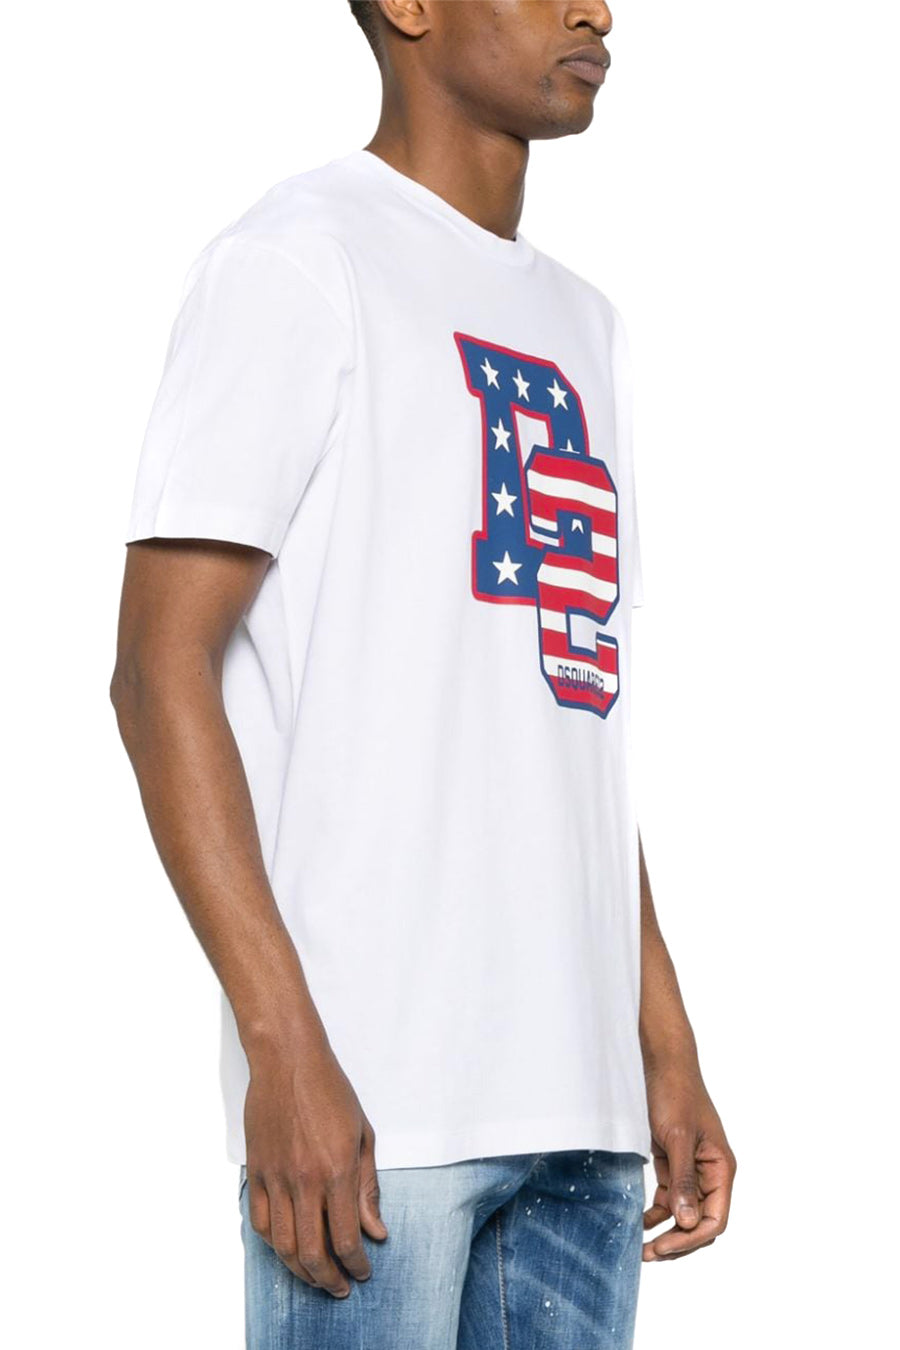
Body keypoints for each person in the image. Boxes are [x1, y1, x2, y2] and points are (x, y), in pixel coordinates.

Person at [111, 2, 736, 1346]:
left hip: (584, 1115)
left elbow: (559, 708)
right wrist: (282, 1045)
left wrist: (663, 1042)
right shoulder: (298, 261)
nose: (597, 9)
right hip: (375, 1110)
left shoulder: (586, 324)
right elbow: (158, 672)